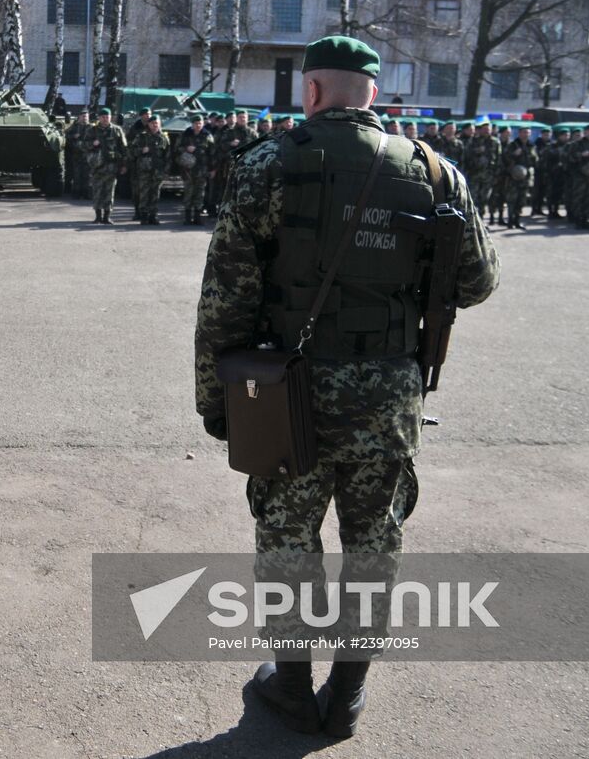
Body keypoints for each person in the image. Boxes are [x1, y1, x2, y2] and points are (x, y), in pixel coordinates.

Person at [194, 36, 499, 740]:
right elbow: (477, 283)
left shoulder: (269, 164)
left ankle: (293, 687)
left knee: (288, 541)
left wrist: (218, 404)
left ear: (311, 92)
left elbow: (225, 301)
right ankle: (349, 692)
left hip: (287, 397)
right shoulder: (435, 172)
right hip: (388, 399)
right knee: (373, 544)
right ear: (374, 92)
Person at [85, 107, 127, 224]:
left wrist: (124, 165)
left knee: (109, 192)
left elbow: (123, 149)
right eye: (103, 117)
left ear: (110, 117)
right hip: (97, 167)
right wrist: (92, 144)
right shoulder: (92, 130)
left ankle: (107, 216)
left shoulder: (117, 130)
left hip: (111, 167)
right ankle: (98, 216)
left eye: (107, 117)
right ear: (99, 118)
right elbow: (84, 145)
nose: (105, 119)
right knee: (97, 191)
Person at [128, 114, 169, 225]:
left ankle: (153, 215)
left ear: (159, 124)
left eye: (157, 123)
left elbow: (168, 156)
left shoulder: (163, 138)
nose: (155, 125)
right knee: (144, 193)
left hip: (158, 171)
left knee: (155, 193)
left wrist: (166, 171)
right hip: (144, 171)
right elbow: (131, 151)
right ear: (149, 124)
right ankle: (144, 215)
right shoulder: (141, 136)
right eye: (152, 123)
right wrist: (141, 150)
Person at [175, 113, 214, 226]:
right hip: (188, 170)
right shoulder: (185, 135)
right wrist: (186, 148)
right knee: (188, 192)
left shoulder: (207, 136)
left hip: (202, 169)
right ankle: (187, 217)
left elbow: (212, 153)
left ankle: (197, 217)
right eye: (196, 123)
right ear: (192, 124)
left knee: (200, 193)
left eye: (200, 123)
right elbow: (176, 148)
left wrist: (212, 169)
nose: (198, 125)